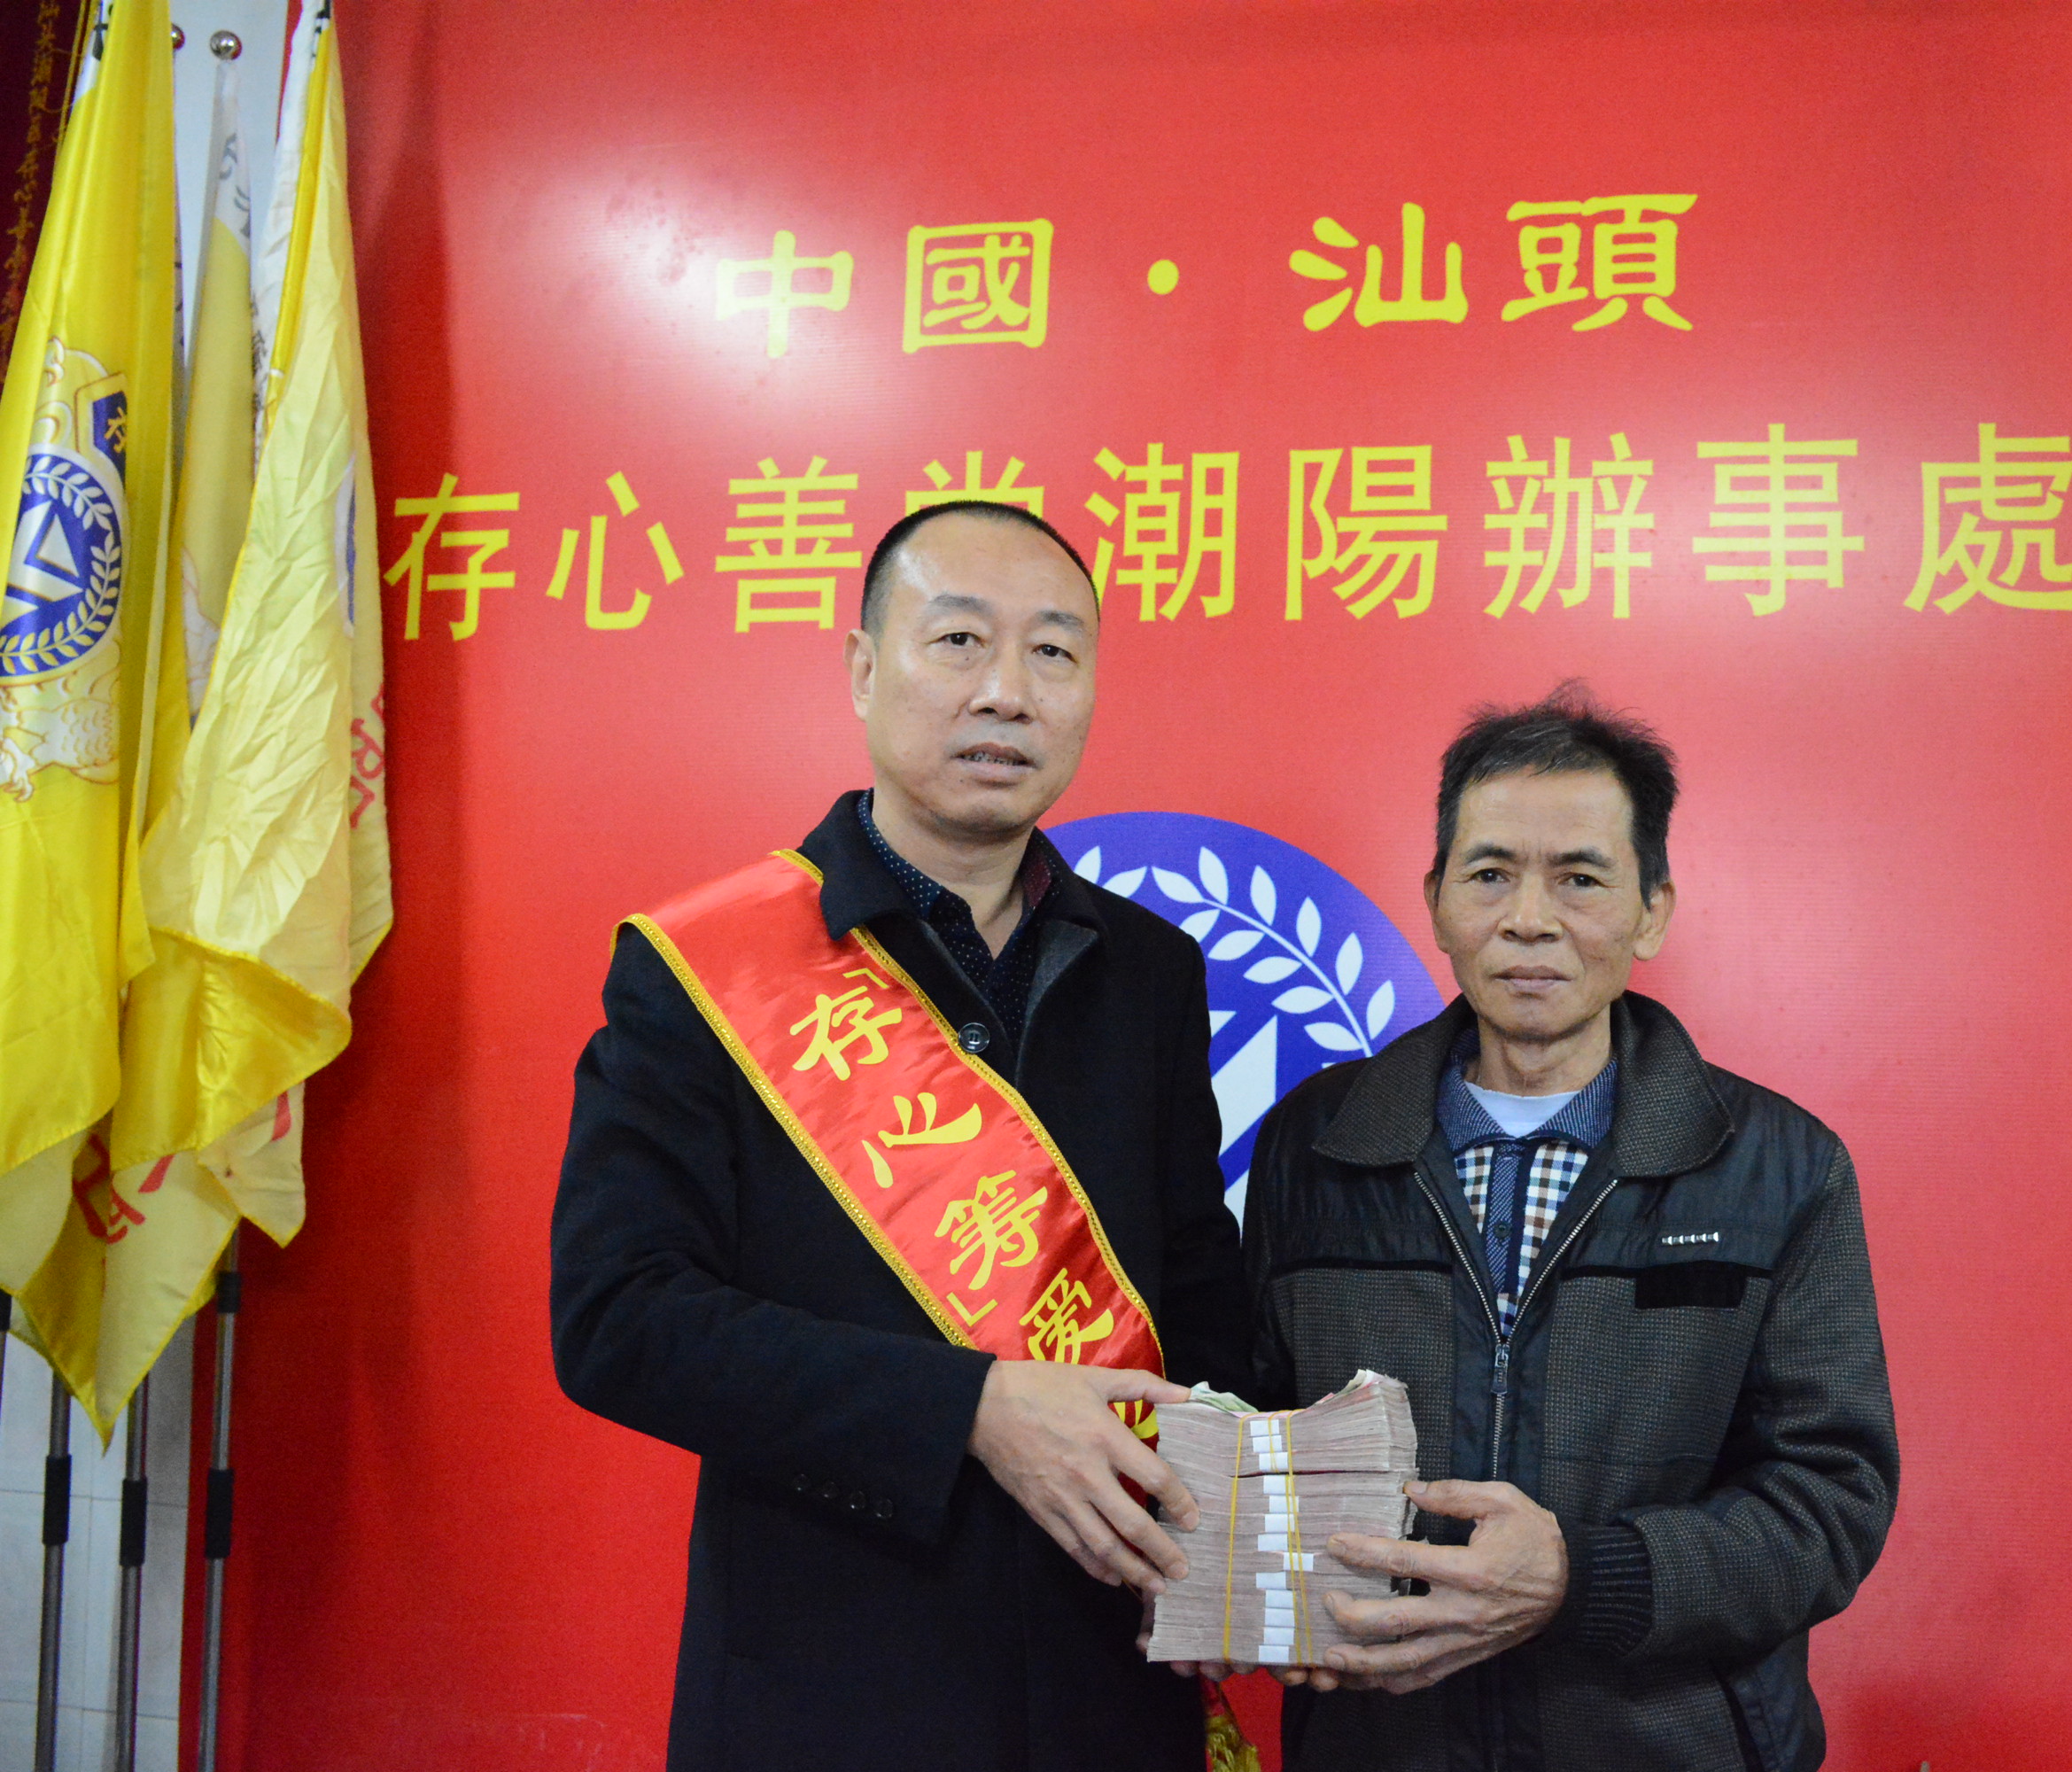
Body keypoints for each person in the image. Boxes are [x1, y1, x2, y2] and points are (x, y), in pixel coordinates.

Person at [550, 501, 1252, 1772]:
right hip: (832, 1690)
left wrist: (1245, 1529)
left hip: (1107, 1690)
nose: (1007, 691)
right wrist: (970, 1408)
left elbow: (1195, 1290)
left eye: (1054, 651)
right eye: (960, 640)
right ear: (865, 669)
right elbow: (620, 1321)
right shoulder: (706, 969)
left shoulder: (1151, 971)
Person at [1239, 688, 1898, 1772]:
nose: (1529, 919)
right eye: (1489, 873)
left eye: (1580, 878)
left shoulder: (1777, 1167)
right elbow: (1254, 1430)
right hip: (1385, 1744)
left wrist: (1579, 1578)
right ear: (1436, 900)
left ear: (1651, 909)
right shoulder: (1316, 1144)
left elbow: (1830, 1501)